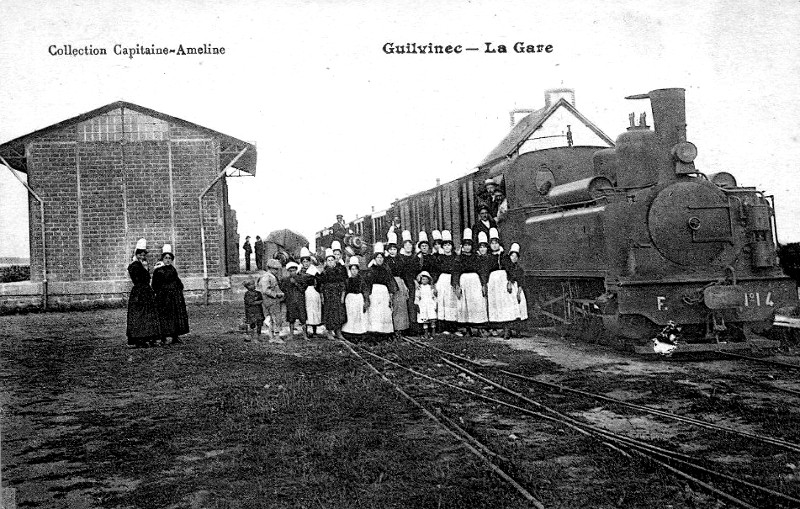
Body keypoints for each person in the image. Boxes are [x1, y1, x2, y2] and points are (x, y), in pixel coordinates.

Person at [453, 228, 489, 337]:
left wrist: (483, 284)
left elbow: (481, 271)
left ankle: (479, 328)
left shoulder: (476, 257)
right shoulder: (458, 258)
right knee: (466, 304)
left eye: (469, 245)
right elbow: (456, 272)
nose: (467, 247)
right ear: (462, 246)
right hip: (464, 281)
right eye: (466, 245)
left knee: (477, 304)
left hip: (475, 282)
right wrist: (457, 286)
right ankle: (468, 329)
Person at [126, 238, 161, 348]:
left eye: (143, 255)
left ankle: (148, 337)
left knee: (148, 315)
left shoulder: (143, 265)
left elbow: (147, 278)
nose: (142, 257)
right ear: (136, 254)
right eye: (140, 255)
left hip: (146, 291)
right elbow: (139, 279)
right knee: (139, 315)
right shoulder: (134, 266)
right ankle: (139, 338)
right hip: (139, 292)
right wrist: (145, 269)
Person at [152, 244, 190, 345]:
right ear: (162, 259)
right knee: (164, 317)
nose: (168, 260)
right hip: (164, 298)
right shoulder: (158, 270)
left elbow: (178, 282)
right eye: (166, 258)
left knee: (175, 316)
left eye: (169, 258)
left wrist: (178, 290)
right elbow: (155, 285)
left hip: (174, 297)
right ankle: (163, 337)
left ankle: (175, 336)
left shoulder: (173, 269)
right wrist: (161, 293)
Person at [485, 229, 517, 339]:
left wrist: (509, 281)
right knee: (497, 304)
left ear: (499, 244)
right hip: (493, 282)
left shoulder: (504, 256)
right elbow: (485, 271)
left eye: (496, 243)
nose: (494, 245)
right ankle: (502, 329)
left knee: (506, 304)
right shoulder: (488, 257)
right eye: (492, 243)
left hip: (503, 280)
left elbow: (511, 269)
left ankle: (507, 329)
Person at [365, 242, 396, 339]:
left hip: (384, 292)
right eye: (378, 257)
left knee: (384, 312)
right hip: (374, 292)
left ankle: (385, 332)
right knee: (375, 311)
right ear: (374, 259)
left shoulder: (386, 269)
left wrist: (391, 294)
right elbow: (367, 284)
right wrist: (367, 295)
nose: (380, 259)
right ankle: (374, 332)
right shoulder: (371, 270)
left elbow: (390, 281)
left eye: (381, 257)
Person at [317, 248, 347, 340]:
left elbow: (343, 284)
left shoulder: (339, 271)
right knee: (329, 312)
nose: (330, 262)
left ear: (335, 261)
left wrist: (342, 296)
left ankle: (338, 332)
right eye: (328, 260)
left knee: (338, 312)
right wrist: (322, 297)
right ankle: (329, 332)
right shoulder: (324, 272)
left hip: (337, 294)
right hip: (328, 295)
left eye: (332, 260)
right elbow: (320, 286)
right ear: (326, 262)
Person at [384, 231, 409, 338]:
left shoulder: (400, 260)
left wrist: (405, 285)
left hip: (399, 282)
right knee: (391, 305)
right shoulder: (385, 260)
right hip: (389, 282)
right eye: (390, 249)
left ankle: (400, 328)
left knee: (400, 306)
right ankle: (391, 328)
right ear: (388, 250)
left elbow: (404, 273)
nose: (392, 251)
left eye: (394, 249)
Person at [435, 230, 459, 333]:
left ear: (451, 246)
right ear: (442, 247)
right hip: (442, 280)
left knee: (452, 303)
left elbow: (457, 270)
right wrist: (435, 283)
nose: (447, 247)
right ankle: (443, 327)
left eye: (449, 245)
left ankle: (453, 327)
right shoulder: (439, 257)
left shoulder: (455, 258)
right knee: (442, 302)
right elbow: (435, 271)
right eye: (445, 245)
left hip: (451, 280)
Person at [257, 259, 285, 343]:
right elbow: (265, 290)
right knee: (276, 318)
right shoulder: (266, 277)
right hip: (270, 300)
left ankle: (272, 336)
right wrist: (276, 294)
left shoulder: (271, 276)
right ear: (270, 268)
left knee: (274, 319)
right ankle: (275, 336)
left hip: (273, 301)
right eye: (275, 269)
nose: (277, 271)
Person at [342, 256, 369, 339]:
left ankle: (359, 332)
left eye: (355, 269)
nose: (354, 271)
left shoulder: (361, 280)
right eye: (352, 269)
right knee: (351, 315)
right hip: (350, 300)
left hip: (359, 299)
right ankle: (349, 332)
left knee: (358, 315)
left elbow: (365, 290)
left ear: (358, 270)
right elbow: (344, 290)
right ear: (350, 270)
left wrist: (366, 300)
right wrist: (343, 299)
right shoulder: (347, 280)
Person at [299, 247, 323, 338]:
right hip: (304, 292)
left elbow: (319, 281)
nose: (306, 263)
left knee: (314, 310)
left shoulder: (314, 270)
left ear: (310, 261)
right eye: (304, 262)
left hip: (312, 292)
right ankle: (306, 331)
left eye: (307, 261)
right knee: (306, 310)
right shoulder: (300, 270)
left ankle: (314, 330)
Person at [280, 261, 308, 340]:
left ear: (297, 270)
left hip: (300, 301)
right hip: (290, 301)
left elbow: (303, 289)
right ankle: (291, 334)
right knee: (291, 319)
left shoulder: (301, 278)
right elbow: (282, 288)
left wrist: (296, 283)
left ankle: (305, 335)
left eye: (294, 270)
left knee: (303, 319)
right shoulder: (285, 280)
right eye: (290, 271)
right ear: (288, 271)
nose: (292, 272)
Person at [399, 230, 419, 335]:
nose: (408, 247)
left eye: (410, 245)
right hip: (404, 282)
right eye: (406, 245)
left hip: (412, 282)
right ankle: (405, 327)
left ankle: (414, 327)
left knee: (413, 304)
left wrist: (416, 279)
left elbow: (417, 270)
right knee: (404, 304)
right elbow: (401, 272)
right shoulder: (400, 258)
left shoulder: (414, 258)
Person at [508, 242, 529, 336]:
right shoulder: (507, 268)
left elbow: (521, 282)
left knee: (519, 308)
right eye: (512, 256)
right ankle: (508, 330)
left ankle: (518, 331)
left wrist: (518, 293)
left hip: (517, 289)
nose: (514, 258)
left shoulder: (519, 269)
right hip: (510, 289)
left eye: (516, 256)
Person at [415, 271, 438, 339]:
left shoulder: (431, 287)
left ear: (428, 280)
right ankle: (426, 334)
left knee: (432, 319)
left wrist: (435, 305)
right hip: (423, 305)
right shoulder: (419, 288)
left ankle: (433, 333)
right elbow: (417, 297)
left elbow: (434, 297)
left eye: (426, 279)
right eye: (423, 279)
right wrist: (417, 305)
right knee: (424, 320)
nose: (424, 281)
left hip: (430, 304)